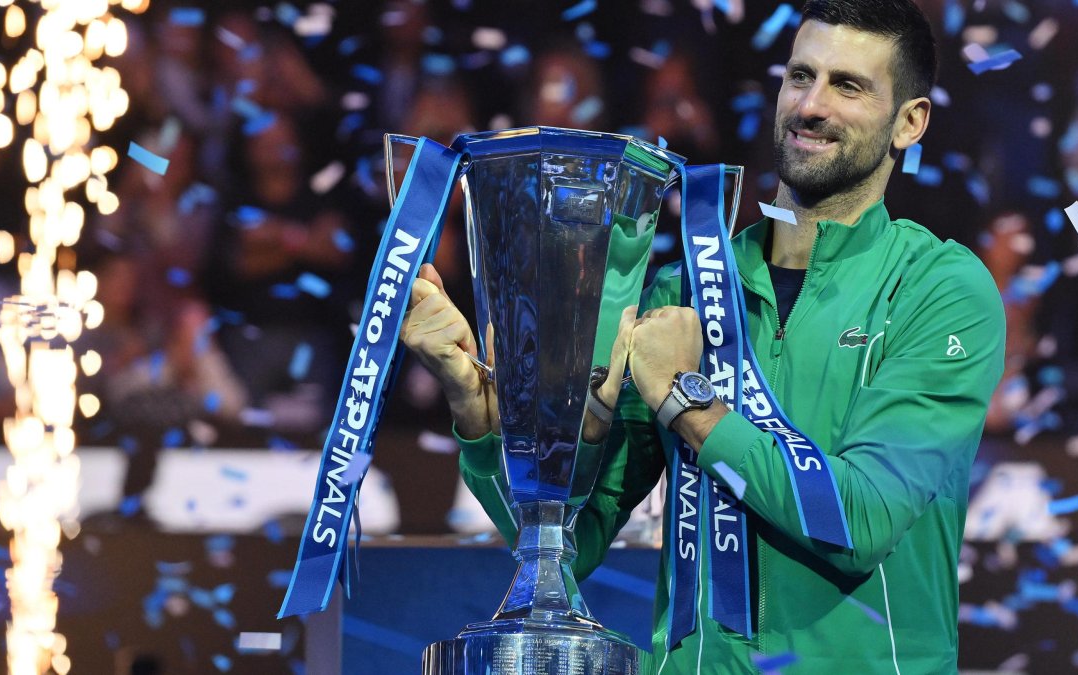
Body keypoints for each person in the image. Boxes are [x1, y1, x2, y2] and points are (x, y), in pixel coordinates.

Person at [401, 0, 1005, 671]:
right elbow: (565, 546)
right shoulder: (683, 288)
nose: (811, 106)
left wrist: (687, 403)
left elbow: (859, 518)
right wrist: (479, 418)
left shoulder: (940, 289)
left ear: (910, 122)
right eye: (800, 76)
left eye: (849, 86)